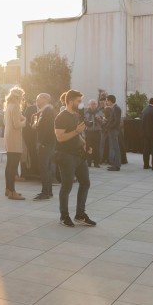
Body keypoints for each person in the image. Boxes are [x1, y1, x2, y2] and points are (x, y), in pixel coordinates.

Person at [55, 90, 96, 227]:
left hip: (79, 155)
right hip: (66, 155)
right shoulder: (61, 117)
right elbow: (60, 138)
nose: (80, 104)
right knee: (67, 186)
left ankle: (80, 214)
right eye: (78, 101)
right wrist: (76, 131)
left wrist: (85, 144)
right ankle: (64, 216)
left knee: (85, 183)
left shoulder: (76, 116)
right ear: (71, 101)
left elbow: (78, 135)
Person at [3, 87, 26, 200]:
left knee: (9, 164)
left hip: (8, 136)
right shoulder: (16, 106)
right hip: (14, 137)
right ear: (19, 97)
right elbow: (17, 125)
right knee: (13, 165)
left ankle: (8, 189)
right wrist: (24, 121)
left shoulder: (8, 106)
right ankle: (12, 192)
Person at [33, 93, 56, 200]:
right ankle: (48, 191)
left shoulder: (47, 112)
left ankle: (45, 192)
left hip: (46, 144)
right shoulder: (46, 111)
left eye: (38, 99)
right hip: (49, 143)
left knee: (44, 168)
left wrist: (42, 142)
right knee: (48, 168)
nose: (37, 101)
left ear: (45, 99)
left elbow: (47, 128)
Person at [21, 98, 39, 179]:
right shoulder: (30, 108)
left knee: (34, 153)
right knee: (29, 153)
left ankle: (34, 172)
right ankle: (29, 172)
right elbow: (25, 120)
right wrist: (31, 126)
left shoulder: (46, 109)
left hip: (36, 135)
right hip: (28, 134)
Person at [83, 99, 103, 168]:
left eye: (94, 104)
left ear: (96, 105)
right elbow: (83, 121)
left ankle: (96, 163)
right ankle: (88, 162)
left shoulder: (100, 112)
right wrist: (87, 122)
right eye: (92, 104)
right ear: (89, 105)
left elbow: (103, 122)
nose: (93, 105)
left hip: (97, 131)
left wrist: (100, 120)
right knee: (88, 147)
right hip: (89, 131)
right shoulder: (86, 112)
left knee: (97, 147)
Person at [105, 95, 122, 171]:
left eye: (107, 100)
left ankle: (117, 165)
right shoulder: (114, 108)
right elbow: (114, 120)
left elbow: (117, 121)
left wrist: (109, 127)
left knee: (116, 148)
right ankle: (115, 164)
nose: (106, 102)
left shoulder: (116, 108)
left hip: (114, 130)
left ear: (110, 101)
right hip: (113, 130)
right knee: (114, 147)